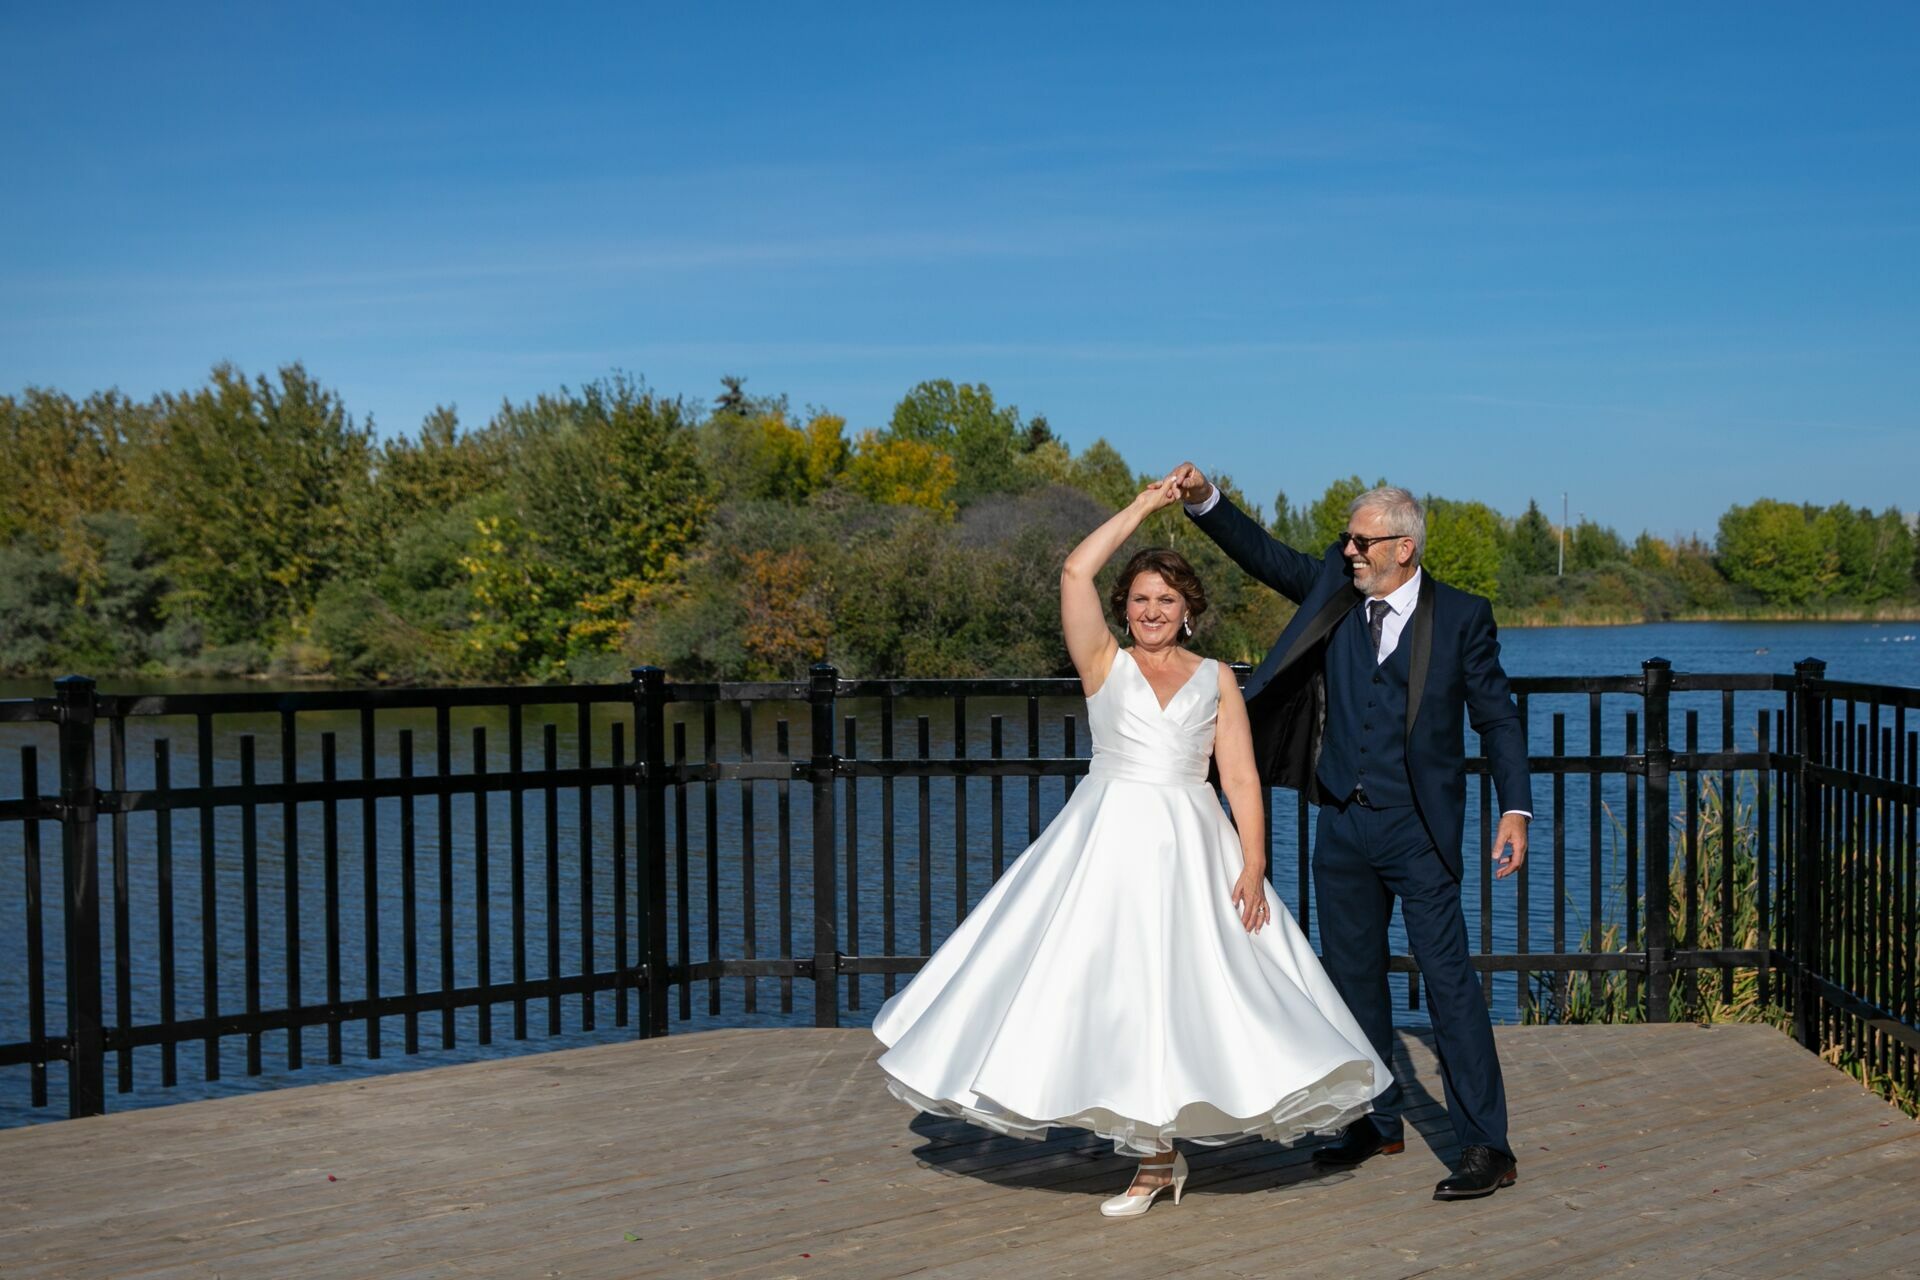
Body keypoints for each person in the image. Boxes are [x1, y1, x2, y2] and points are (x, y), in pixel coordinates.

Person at [872, 475, 1391, 1218]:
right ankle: (1152, 1157)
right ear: (1126, 609)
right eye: (1141, 600)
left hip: (1191, 846)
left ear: (1187, 613)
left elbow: (1241, 776)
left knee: (1185, 993)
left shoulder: (1216, 680)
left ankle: (1159, 1157)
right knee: (1109, 991)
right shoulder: (1103, 665)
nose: (1152, 611)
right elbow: (1075, 570)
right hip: (1105, 845)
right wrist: (1146, 507)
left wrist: (1253, 861)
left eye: (1166, 601)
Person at [1172, 464, 1533, 1201]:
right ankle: (1374, 1119)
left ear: (1404, 546)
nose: (1349, 553)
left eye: (1363, 542)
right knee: (1350, 984)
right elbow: (1263, 553)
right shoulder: (1335, 594)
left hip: (1419, 832)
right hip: (1340, 826)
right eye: (1347, 541)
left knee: (1449, 987)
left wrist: (1515, 809)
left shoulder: (1462, 616)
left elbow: (1496, 716)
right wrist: (1206, 500)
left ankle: (1486, 1147)